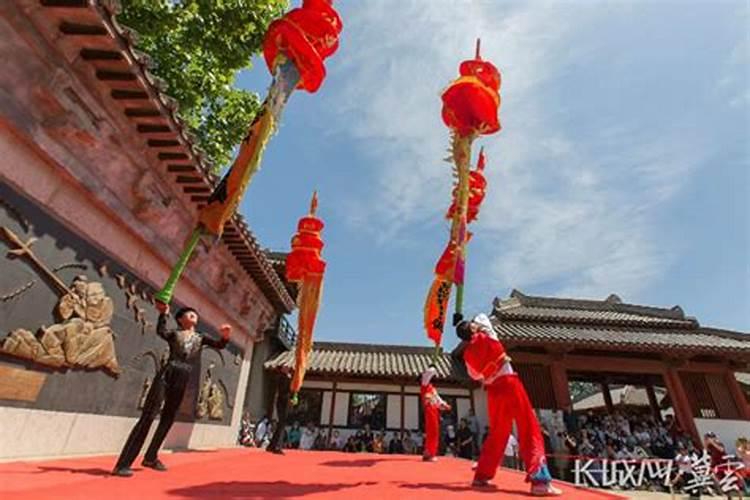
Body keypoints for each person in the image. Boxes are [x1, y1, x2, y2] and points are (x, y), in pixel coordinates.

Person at [112, 302, 231, 477]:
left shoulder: (201, 337)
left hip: (183, 378)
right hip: (167, 373)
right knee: (148, 416)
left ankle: (151, 457)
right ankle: (123, 463)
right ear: (180, 320)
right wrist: (164, 314)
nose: (192, 315)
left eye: (194, 313)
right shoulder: (175, 334)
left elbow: (219, 344)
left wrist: (225, 336)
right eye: (187, 313)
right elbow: (161, 331)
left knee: (168, 418)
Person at [455, 313, 561, 496]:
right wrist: (466, 321)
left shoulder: (468, 355)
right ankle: (539, 481)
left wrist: (462, 326)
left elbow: (476, 376)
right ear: (473, 328)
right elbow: (482, 317)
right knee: (528, 427)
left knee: (498, 433)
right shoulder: (488, 333)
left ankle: (482, 475)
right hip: (509, 383)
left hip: (493, 391)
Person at [420, 365, 452, 462]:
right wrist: (433, 368)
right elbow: (427, 374)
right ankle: (430, 453)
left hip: (435, 410)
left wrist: (445, 405)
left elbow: (438, 400)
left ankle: (428, 452)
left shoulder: (432, 389)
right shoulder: (424, 385)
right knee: (433, 431)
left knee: (434, 432)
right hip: (429, 409)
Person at [267, 366, 293, 454]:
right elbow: (284, 390)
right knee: (282, 424)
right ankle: (277, 446)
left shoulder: (286, 377)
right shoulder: (281, 377)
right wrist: (289, 380)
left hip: (284, 401)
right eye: (286, 367)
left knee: (281, 424)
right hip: (282, 401)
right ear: (282, 369)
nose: (288, 368)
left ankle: (271, 445)